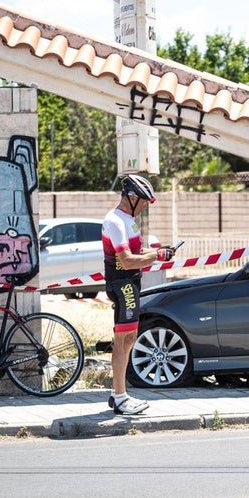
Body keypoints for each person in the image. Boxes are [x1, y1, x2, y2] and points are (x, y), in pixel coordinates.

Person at [102, 174, 175, 414]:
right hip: (123, 284)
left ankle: (117, 394)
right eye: (144, 201)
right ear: (132, 197)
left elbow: (136, 250)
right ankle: (121, 397)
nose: (145, 206)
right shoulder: (116, 221)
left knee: (126, 339)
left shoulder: (127, 219)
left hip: (129, 283)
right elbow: (127, 260)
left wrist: (158, 251)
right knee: (125, 340)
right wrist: (156, 257)